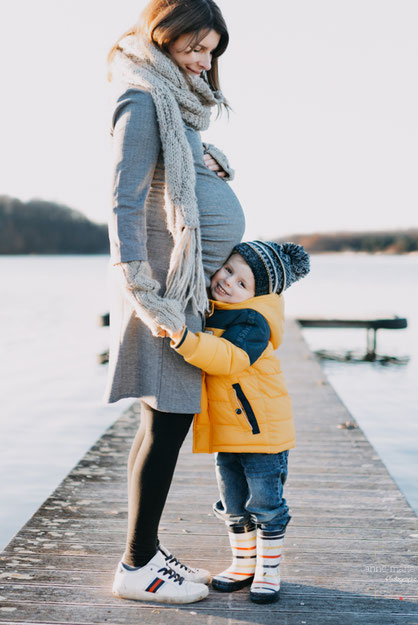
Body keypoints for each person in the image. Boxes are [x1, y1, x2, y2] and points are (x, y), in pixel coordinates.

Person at [104, 0, 245, 604]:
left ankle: (145, 553)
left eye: (211, 53)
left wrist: (204, 156)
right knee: (168, 422)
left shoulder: (173, 104)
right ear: (166, 32)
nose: (203, 62)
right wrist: (142, 291)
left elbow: (173, 169)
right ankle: (137, 567)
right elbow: (123, 200)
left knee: (161, 423)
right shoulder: (140, 97)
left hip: (182, 288)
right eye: (195, 46)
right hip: (163, 292)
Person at [162, 240, 310, 603]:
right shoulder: (218, 308)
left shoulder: (254, 321)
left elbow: (228, 358)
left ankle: (268, 571)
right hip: (230, 432)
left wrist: (184, 338)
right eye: (228, 270)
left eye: (242, 283)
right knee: (233, 504)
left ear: (256, 294)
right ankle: (244, 564)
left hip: (262, 435)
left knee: (266, 506)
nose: (228, 282)